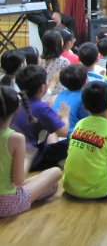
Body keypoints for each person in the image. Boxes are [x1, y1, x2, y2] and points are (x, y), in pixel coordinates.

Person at [0, 86, 61, 218]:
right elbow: (18, 181)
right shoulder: (15, 138)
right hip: (6, 204)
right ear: (17, 108)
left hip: (7, 191)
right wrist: (27, 157)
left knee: (49, 185)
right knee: (55, 173)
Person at [12, 65, 69, 171]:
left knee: (50, 134)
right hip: (32, 159)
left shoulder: (16, 102)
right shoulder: (42, 108)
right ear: (42, 88)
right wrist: (65, 116)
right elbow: (63, 132)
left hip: (14, 154)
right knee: (69, 143)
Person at [52, 64, 89, 136]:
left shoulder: (60, 94)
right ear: (85, 81)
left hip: (56, 133)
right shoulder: (83, 97)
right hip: (72, 136)